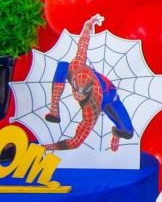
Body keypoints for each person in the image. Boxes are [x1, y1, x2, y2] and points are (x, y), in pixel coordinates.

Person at [45, 14, 133, 152]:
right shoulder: (76, 66)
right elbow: (83, 46)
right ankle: (54, 108)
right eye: (76, 90)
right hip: (92, 87)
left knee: (128, 132)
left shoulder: (92, 107)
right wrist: (88, 26)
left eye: (83, 92)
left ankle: (116, 133)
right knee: (62, 65)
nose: (78, 95)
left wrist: (49, 147)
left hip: (110, 99)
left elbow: (76, 142)